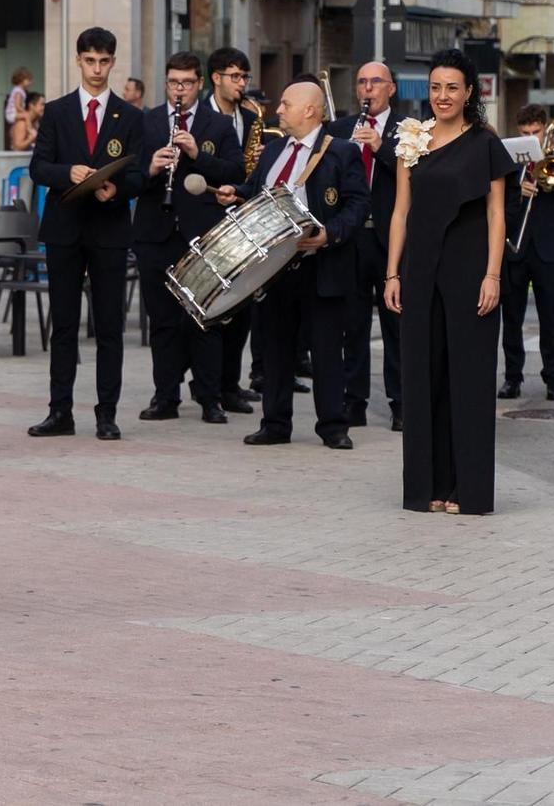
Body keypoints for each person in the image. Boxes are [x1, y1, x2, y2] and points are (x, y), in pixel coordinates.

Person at [384, 49, 515, 515]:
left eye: (452, 87)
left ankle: (468, 489)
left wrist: (492, 274)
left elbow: (497, 213)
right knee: (423, 379)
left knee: (470, 380)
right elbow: (401, 211)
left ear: (468, 92)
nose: (443, 95)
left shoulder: (484, 143)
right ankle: (429, 487)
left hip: (470, 271)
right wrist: (392, 273)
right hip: (419, 271)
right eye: (436, 87)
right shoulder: (410, 140)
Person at [219, 80, 369, 449]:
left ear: (311, 111)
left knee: (326, 350)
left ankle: (333, 426)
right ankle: (275, 423)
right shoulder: (272, 153)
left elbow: (358, 205)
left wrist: (328, 234)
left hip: (322, 265)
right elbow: (256, 191)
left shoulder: (342, 153)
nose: (279, 110)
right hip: (273, 269)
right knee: (275, 348)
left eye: (286, 104)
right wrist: (235, 193)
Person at [27, 27, 145, 441]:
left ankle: (106, 414)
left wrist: (117, 190)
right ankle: (60, 411)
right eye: (90, 60)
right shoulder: (57, 112)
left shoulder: (130, 116)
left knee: (109, 325)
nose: (97, 69)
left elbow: (138, 174)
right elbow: (38, 167)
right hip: (64, 229)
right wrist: (68, 173)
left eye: (104, 61)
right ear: (78, 60)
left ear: (113, 62)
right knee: (63, 325)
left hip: (109, 229)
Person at [134, 53, 225, 424]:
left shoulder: (217, 125)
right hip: (155, 233)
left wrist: (196, 154)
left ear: (199, 84)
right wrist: (151, 168)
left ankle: (209, 398)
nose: (180, 90)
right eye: (174, 83)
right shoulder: (148, 121)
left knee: (205, 320)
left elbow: (234, 170)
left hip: (200, 236)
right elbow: (129, 176)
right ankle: (165, 396)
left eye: (187, 83)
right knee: (163, 322)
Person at [328, 61, 405, 430]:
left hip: (391, 239)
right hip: (352, 238)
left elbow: (419, 178)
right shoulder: (340, 129)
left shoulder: (411, 131)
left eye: (376, 82)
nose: (368, 89)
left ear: (391, 88)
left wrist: (382, 148)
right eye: (362, 82)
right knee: (352, 323)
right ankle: (353, 401)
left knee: (397, 325)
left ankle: (401, 402)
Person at [188, 48, 260, 415]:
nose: (242, 84)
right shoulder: (198, 118)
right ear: (215, 78)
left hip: (241, 218)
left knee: (241, 307)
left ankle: (230, 384)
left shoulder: (249, 118)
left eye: (244, 77)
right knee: (210, 309)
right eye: (235, 77)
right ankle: (207, 386)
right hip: (206, 218)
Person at [500, 103, 554, 402]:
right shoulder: (509, 161)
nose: (532, 137)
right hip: (515, 248)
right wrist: (517, 190)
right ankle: (512, 378)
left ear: (545, 130)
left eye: (536, 132)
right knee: (512, 317)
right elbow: (496, 203)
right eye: (525, 133)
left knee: (550, 316)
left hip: (547, 248)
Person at [5, 65, 34, 132]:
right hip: (11, 113)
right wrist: (25, 112)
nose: (30, 83)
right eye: (28, 80)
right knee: (27, 116)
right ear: (21, 80)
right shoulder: (18, 91)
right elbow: (17, 106)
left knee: (25, 116)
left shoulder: (18, 90)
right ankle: (30, 130)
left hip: (12, 113)